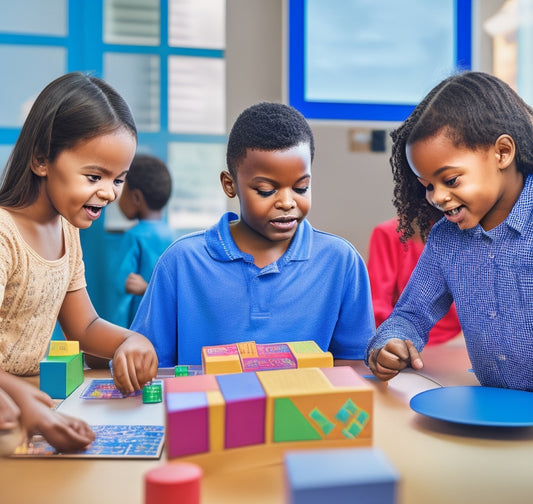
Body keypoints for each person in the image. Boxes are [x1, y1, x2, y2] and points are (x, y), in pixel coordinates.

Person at [131, 102, 375, 366]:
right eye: (266, 190)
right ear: (230, 185)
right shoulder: (181, 262)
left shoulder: (340, 261)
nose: (286, 202)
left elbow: (355, 364)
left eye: (301, 188)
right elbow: (149, 364)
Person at [0, 72, 159, 449]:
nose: (108, 193)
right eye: (93, 176)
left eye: (119, 179)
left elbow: (84, 327)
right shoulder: (4, 236)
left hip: (27, 395)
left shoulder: (66, 231)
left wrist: (130, 341)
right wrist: (24, 403)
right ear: (42, 159)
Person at [366, 70, 533, 392]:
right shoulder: (446, 239)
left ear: (502, 153)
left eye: (451, 180)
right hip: (496, 406)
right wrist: (390, 342)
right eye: (428, 185)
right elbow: (412, 313)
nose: (437, 197)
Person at [367, 217, 462, 345]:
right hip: (403, 340)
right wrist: (393, 340)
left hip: (460, 342)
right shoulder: (388, 233)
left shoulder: (468, 234)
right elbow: (378, 305)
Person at [109, 154, 174, 328]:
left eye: (122, 191)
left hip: (137, 322)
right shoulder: (171, 233)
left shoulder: (134, 236)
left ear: (136, 198)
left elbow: (121, 283)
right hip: (163, 322)